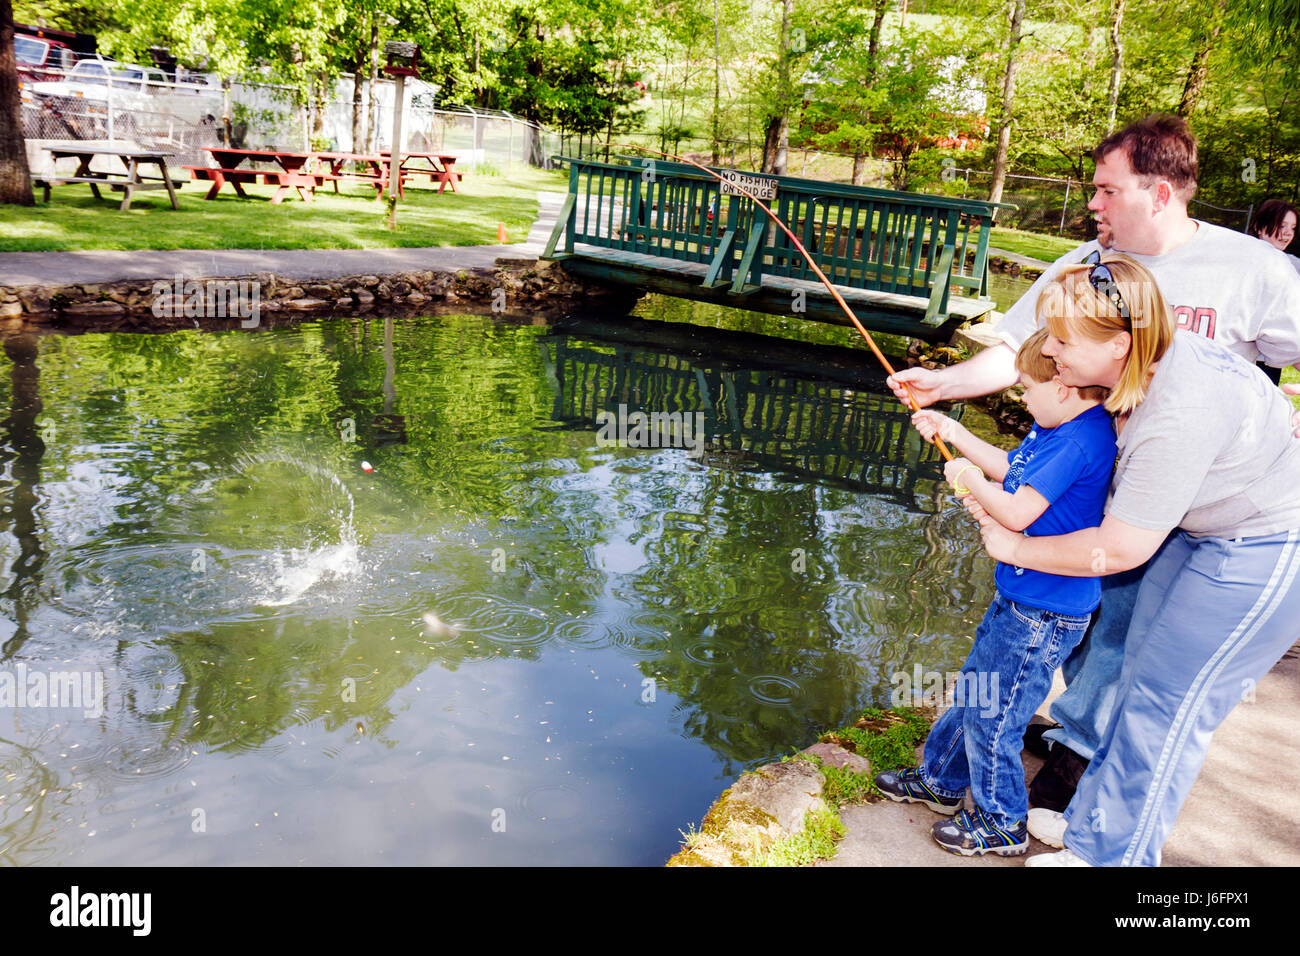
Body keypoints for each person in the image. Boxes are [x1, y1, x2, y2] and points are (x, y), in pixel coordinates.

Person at [886, 115, 1300, 836]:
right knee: (1118, 652)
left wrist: (1006, 533)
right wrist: (946, 392)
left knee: (1143, 676)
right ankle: (1055, 787)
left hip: (1224, 515)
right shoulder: (1087, 270)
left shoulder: (1253, 270)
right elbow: (1020, 351)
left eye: (1108, 189)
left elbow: (1101, 534)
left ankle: (1056, 795)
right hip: (1124, 492)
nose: (1093, 204)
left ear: (1161, 192)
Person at [960, 254, 1300, 866]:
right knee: (1135, 675)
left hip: (1264, 542)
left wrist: (1016, 547)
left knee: (1168, 705)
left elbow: (1117, 548)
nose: (1050, 352)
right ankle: (1097, 823)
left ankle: (1110, 856)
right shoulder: (1138, 367)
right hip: (1196, 528)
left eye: (1063, 340)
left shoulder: (1179, 413)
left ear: (1120, 344)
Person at [874, 327, 1117, 857]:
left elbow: (1016, 509)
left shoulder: (1082, 438)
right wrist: (951, 432)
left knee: (997, 715)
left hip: (1045, 611)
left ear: (1065, 386)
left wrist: (966, 479)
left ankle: (1001, 820)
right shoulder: (1056, 427)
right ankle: (941, 779)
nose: (1023, 401)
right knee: (977, 691)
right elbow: (1014, 471)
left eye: (1027, 389)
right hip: (1021, 598)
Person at [1249, 198, 1300, 277]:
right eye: (1281, 226)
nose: (1289, 233)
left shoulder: (1293, 266)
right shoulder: (1242, 258)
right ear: (1258, 227)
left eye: (1293, 228)